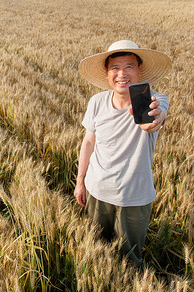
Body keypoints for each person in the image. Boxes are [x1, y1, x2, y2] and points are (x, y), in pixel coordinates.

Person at [74, 40, 171, 266]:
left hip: (134, 197)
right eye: (115, 68)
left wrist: (152, 120)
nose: (122, 74)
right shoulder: (97, 102)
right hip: (97, 191)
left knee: (130, 260)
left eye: (129, 66)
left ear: (140, 70)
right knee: (95, 250)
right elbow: (88, 142)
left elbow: (154, 121)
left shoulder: (154, 100)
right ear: (107, 74)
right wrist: (80, 182)